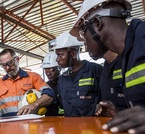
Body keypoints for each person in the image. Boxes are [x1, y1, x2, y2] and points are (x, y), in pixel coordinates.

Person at [70, 0, 145, 133]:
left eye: (83, 33)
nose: (85, 44)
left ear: (97, 24)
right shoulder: (128, 56)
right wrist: (120, 113)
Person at [0, 48, 55, 117]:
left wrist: (34, 104)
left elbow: (49, 95)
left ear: (17, 59)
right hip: (8, 125)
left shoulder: (33, 77)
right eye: (4, 65)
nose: (7, 68)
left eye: (10, 63)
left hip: (31, 123)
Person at [54, 30, 102, 117]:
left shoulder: (95, 70)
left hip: (93, 128)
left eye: (60, 55)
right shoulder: (62, 79)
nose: (57, 59)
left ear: (72, 54)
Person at [95, 51, 127, 117]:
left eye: (88, 41)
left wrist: (118, 113)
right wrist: (101, 107)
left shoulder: (127, 61)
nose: (86, 49)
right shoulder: (103, 70)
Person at [41, 51, 64, 116]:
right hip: (50, 121)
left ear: (59, 68)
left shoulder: (67, 83)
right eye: (46, 70)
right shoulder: (45, 86)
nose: (48, 73)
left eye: (51, 70)